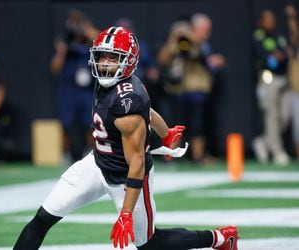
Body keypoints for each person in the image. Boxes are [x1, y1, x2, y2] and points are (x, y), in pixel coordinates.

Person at [13, 26, 238, 250]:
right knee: (43, 217)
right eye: (102, 57)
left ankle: (219, 238)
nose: (104, 64)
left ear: (128, 61)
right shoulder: (110, 83)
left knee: (149, 244)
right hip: (98, 164)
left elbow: (137, 163)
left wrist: (126, 214)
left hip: (127, 176)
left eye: (113, 59)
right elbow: (149, 112)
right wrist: (166, 133)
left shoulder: (127, 103)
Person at [157, 19, 214, 164]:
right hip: (178, 90)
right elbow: (162, 59)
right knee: (175, 124)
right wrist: (173, 41)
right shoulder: (173, 46)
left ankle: (197, 157)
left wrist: (191, 38)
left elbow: (202, 56)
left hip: (195, 89)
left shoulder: (199, 44)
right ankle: (169, 156)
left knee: (197, 125)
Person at [50, 9, 99, 163]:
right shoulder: (65, 42)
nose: (76, 27)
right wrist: (61, 52)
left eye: (78, 22)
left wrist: (87, 28)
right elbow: (54, 68)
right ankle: (65, 154)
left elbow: (100, 40)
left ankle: (91, 153)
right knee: (65, 124)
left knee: (91, 124)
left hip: (87, 90)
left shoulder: (91, 42)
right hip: (69, 90)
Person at [252, 9, 291, 166]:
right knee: (272, 116)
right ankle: (276, 151)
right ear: (261, 22)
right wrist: (274, 56)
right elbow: (263, 55)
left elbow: (286, 51)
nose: (271, 22)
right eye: (267, 19)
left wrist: (282, 55)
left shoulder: (280, 35)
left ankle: (263, 141)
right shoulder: (259, 37)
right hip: (268, 78)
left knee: (285, 116)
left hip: (284, 78)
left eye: (272, 19)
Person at [285, 4, 299, 165]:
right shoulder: (295, 49)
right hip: (296, 91)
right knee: (297, 126)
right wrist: (291, 18)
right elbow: (295, 34)